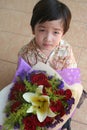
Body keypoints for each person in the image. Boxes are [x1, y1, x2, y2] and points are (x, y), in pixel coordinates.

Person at [18, 0, 87, 129]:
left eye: (56, 32)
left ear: (63, 33)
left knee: (62, 114)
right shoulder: (25, 53)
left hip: (60, 88)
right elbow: (23, 76)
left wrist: (60, 90)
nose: (48, 38)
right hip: (37, 92)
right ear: (33, 29)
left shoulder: (66, 49)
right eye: (42, 30)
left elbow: (71, 73)